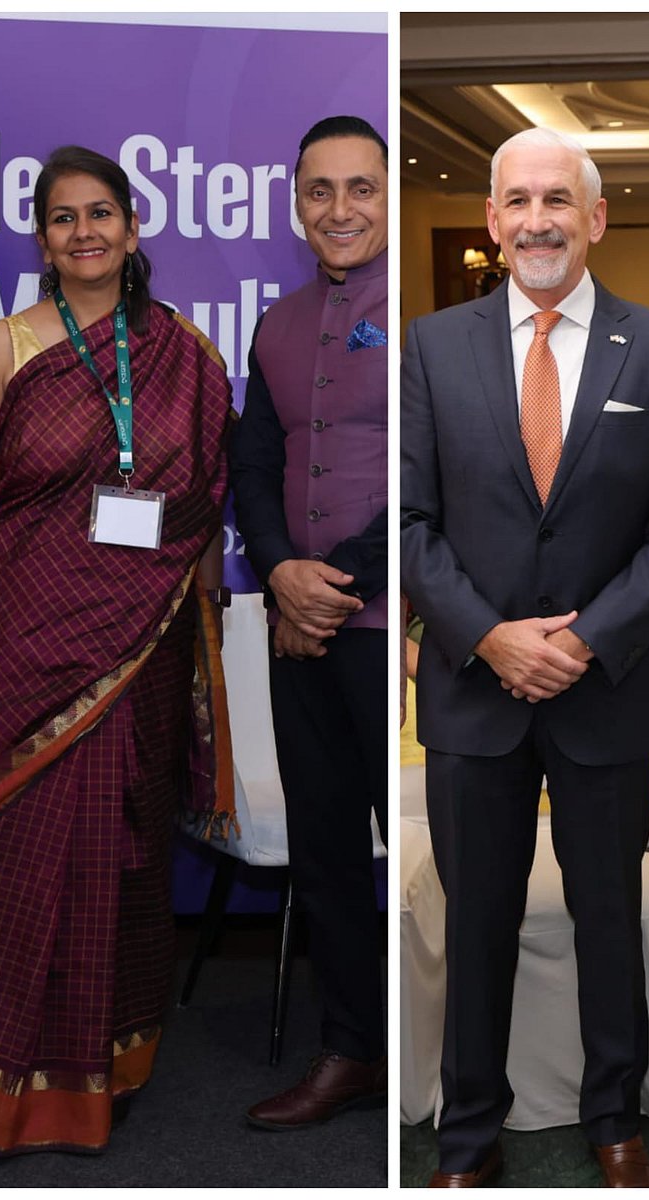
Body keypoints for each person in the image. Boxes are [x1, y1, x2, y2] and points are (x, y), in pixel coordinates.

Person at [401, 126, 649, 1188]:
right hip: (471, 687)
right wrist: (489, 636)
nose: (537, 220)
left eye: (558, 201)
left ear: (596, 219)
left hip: (606, 691)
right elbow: (407, 523)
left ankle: (616, 1120)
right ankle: (468, 1139)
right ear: (492, 220)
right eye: (518, 201)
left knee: (609, 920)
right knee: (476, 922)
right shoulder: (431, 346)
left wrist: (582, 640)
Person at [0, 145, 233, 1155]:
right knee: (20, 856)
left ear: (134, 227)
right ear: (44, 240)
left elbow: (203, 504)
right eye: (63, 219)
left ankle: (104, 1070)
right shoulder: (8, 348)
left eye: (100, 213)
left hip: (141, 648)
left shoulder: (185, 354)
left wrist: (200, 643)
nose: (84, 233)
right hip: (24, 636)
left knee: (123, 852)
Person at [229, 115, 388, 1129]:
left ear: (388, 195)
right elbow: (252, 461)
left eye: (361, 188)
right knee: (326, 852)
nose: (340, 209)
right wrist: (281, 570)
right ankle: (350, 1049)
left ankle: (448, 1054)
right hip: (300, 628)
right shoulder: (275, 324)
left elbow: (436, 475)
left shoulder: (432, 324)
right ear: (297, 204)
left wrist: (326, 586)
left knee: (436, 851)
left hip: (388, 630)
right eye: (320, 190)